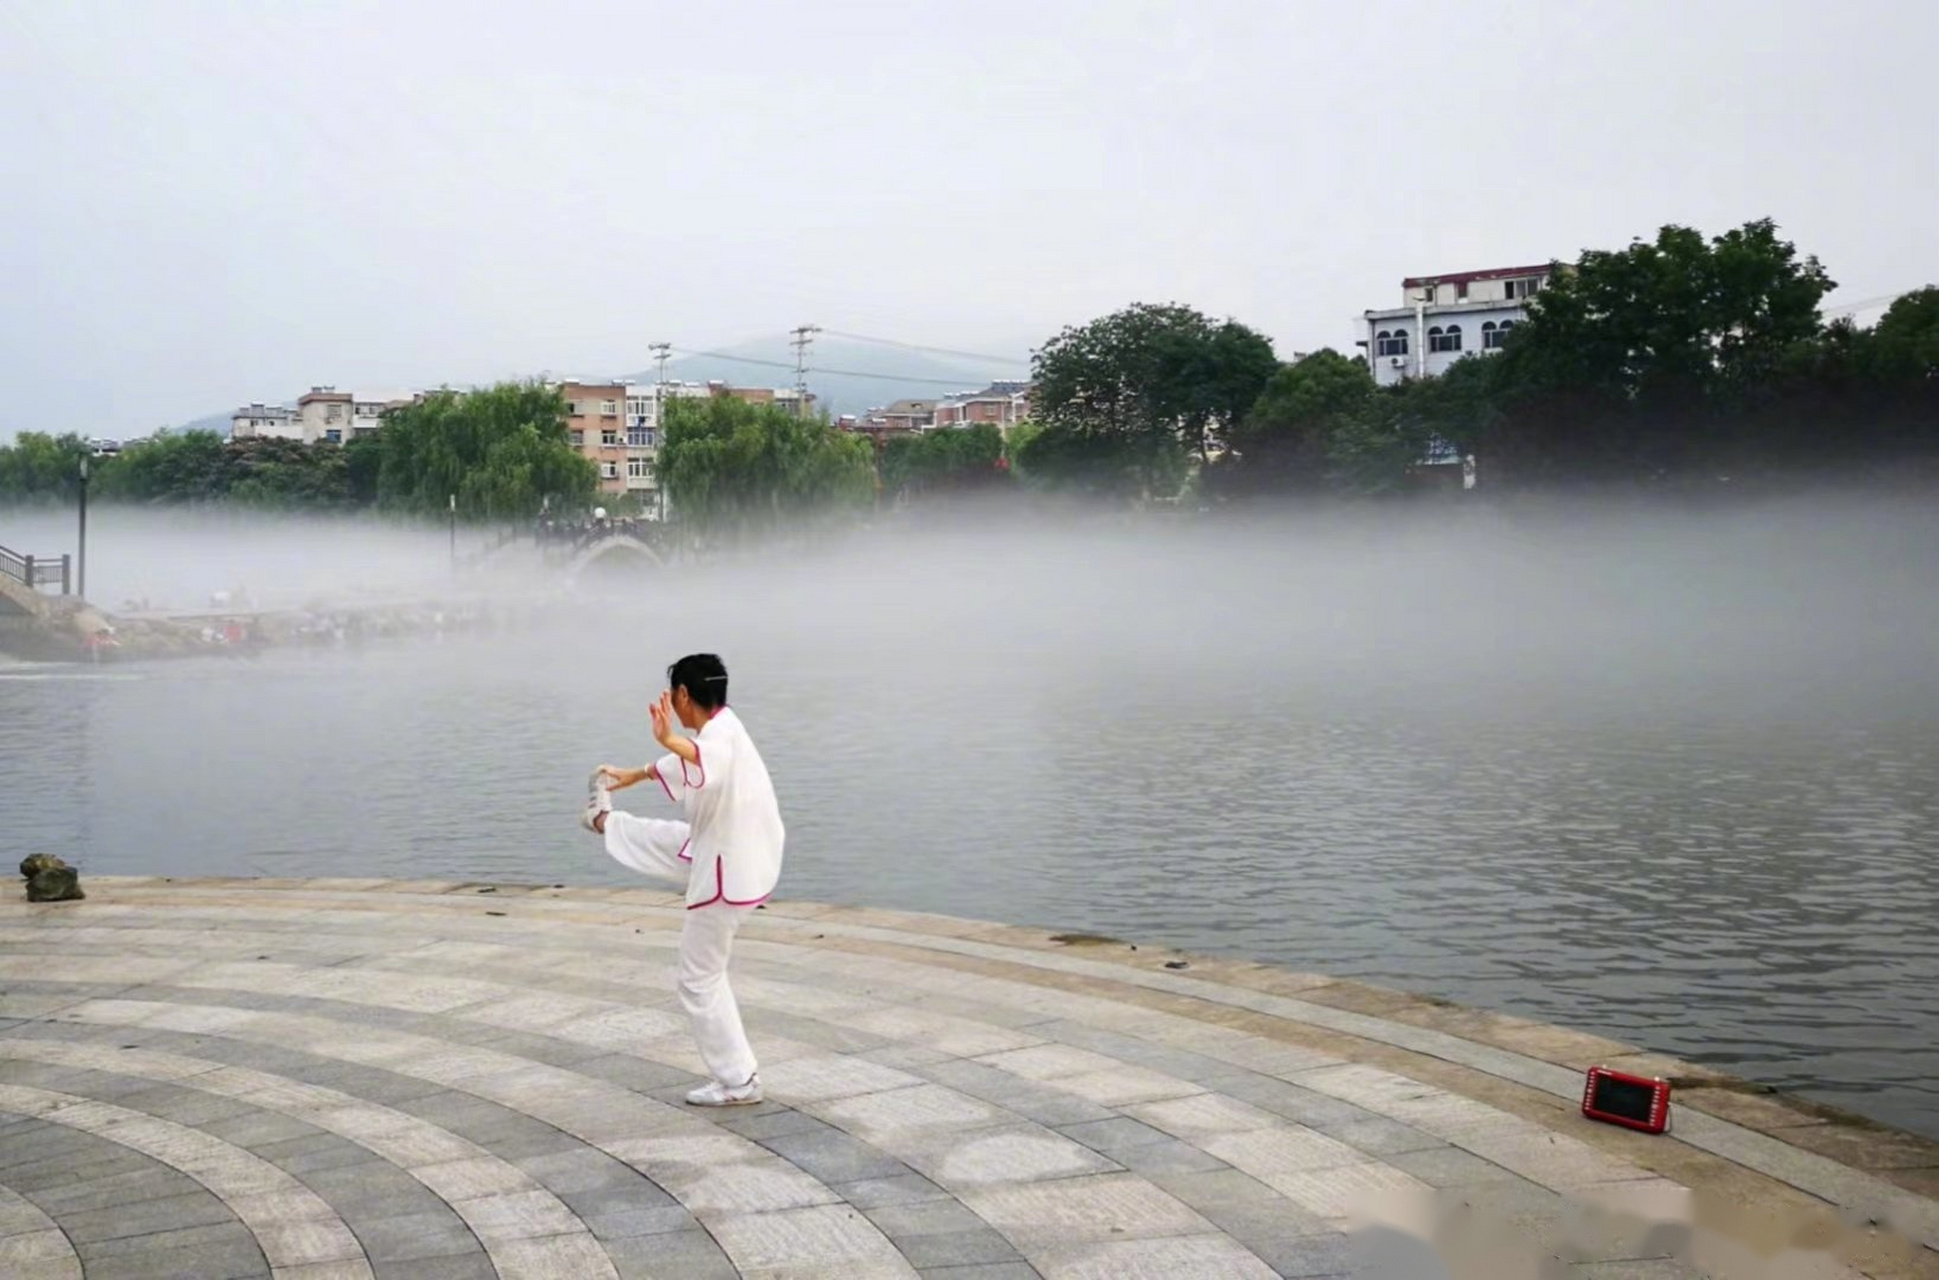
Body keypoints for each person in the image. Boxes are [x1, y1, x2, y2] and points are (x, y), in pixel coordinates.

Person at [584, 653, 784, 1106]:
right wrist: (637, 773)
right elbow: (693, 761)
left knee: (698, 978)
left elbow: (702, 758)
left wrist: (669, 738)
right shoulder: (725, 726)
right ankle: (604, 821)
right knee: (672, 839)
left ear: (682, 695)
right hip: (730, 851)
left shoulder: (715, 740)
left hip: (727, 872)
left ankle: (737, 1081)